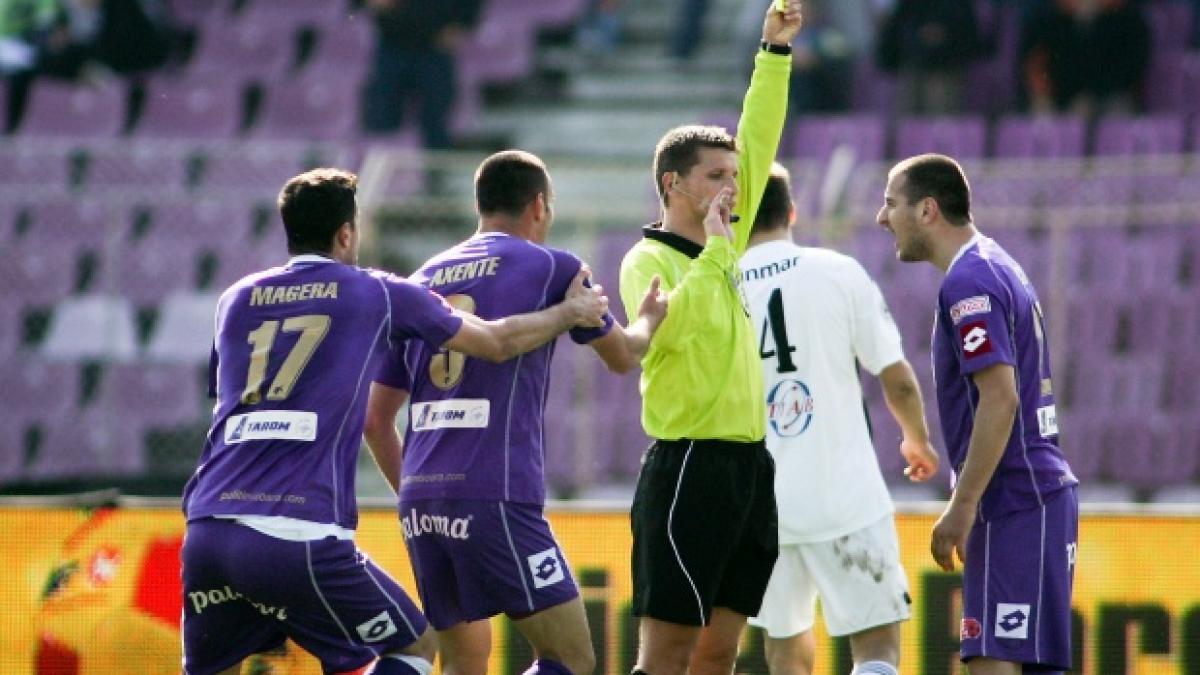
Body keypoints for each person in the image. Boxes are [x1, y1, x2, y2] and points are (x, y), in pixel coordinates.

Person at [180, 168, 608, 675]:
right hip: (294, 529)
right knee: (415, 647)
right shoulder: (375, 292)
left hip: (206, 528)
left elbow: (227, 400)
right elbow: (496, 343)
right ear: (346, 233)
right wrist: (568, 312)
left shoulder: (235, 300)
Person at [363, 150, 668, 675]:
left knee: (463, 662)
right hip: (495, 491)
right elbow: (622, 357)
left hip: (420, 498)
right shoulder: (552, 266)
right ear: (539, 206)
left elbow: (375, 419)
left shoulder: (419, 281)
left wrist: (421, 493)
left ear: (479, 205)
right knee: (570, 657)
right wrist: (648, 321)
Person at [616, 3, 802, 674]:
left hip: (750, 466)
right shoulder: (649, 263)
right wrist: (722, 251)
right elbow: (679, 325)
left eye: (734, 178)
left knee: (720, 653)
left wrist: (773, 53)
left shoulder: (724, 232)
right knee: (666, 655)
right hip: (689, 465)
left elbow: (759, 135)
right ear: (674, 184)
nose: (732, 186)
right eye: (714, 177)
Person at [876, 154, 1079, 674]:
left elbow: (1001, 397)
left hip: (1016, 499)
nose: (882, 217)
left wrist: (963, 505)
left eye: (890, 203)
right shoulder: (994, 264)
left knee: (990, 663)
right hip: (1024, 499)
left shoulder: (970, 280)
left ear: (927, 210)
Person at [740, 164, 941, 675]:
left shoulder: (723, 287)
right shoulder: (838, 271)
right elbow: (894, 377)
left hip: (763, 507)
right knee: (877, 649)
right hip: (845, 498)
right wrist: (916, 438)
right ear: (792, 211)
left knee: (785, 648)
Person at [361, 0, 481, 149]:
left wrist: (463, 23)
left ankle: (435, 167)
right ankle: (377, 164)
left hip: (436, 46)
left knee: (435, 115)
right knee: (382, 115)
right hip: (392, 43)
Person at [1019, 0, 1150, 116]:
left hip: (1110, 96)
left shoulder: (1128, 21)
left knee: (1117, 109)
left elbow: (1131, 67)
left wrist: (1107, 15)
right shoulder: (1048, 21)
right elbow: (1035, 64)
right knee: (1041, 110)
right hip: (1062, 96)